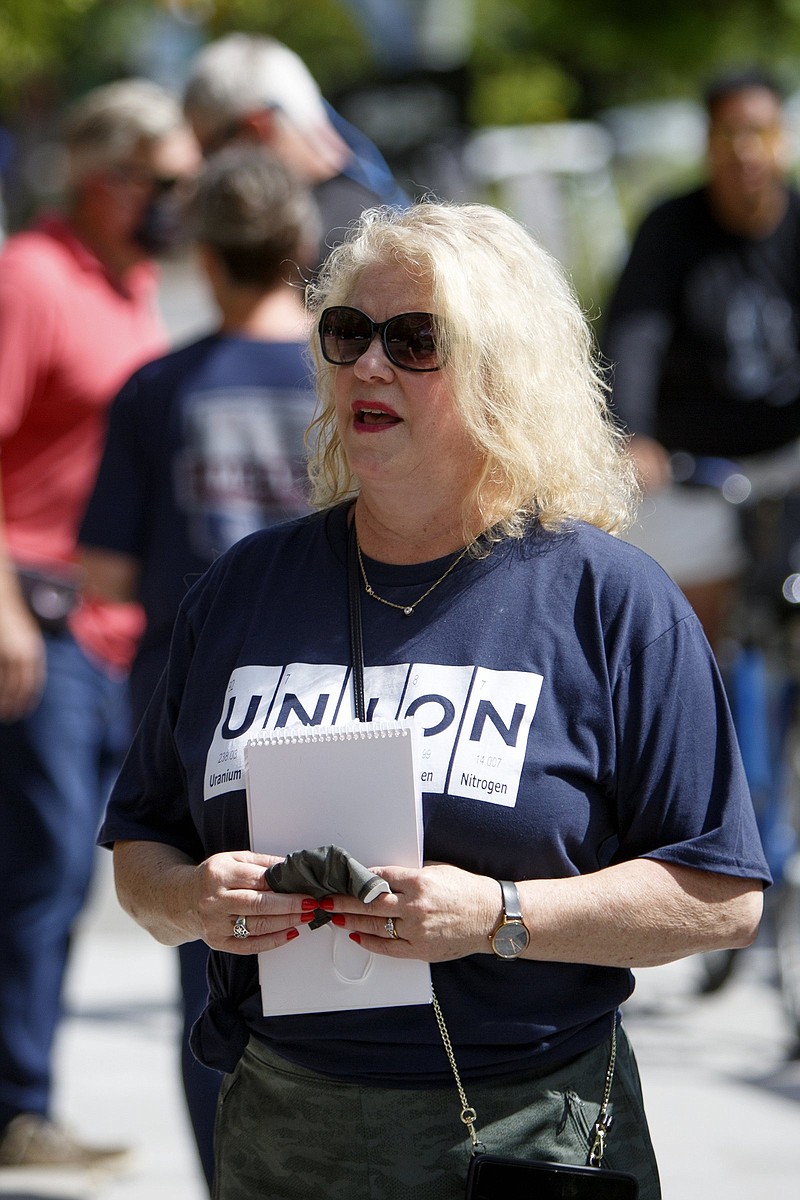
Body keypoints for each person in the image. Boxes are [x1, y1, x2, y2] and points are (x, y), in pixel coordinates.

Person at [98, 201, 769, 1200]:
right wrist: (194, 900)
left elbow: (720, 898)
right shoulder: (241, 590)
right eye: (347, 334)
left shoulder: (607, 599)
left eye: (414, 340)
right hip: (283, 1131)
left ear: (502, 371)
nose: (369, 365)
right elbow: (142, 849)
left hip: (529, 1129)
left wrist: (498, 914)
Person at [78, 145, 320, 1189]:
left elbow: (105, 568)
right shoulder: (348, 372)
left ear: (205, 257)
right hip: (340, 709)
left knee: (211, 974)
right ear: (303, 248)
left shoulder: (157, 388)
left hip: (199, 732)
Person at [0, 79, 199, 1168]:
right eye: (166, 181)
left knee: (81, 867)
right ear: (102, 177)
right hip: (38, 616)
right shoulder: (30, 278)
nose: (181, 200)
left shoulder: (129, 284)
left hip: (117, 631)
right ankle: (17, 1107)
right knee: (43, 869)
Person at [602, 67, 800, 652]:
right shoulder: (670, 229)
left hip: (789, 455)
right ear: (708, 144)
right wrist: (632, 433)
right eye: (729, 134)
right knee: (679, 629)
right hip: (694, 463)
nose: (745, 151)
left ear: (782, 138)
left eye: (759, 133)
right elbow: (635, 335)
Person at [182, 31, 408, 271]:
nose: (206, 170)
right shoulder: (372, 204)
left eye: (210, 152)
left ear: (256, 129)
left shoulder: (313, 247)